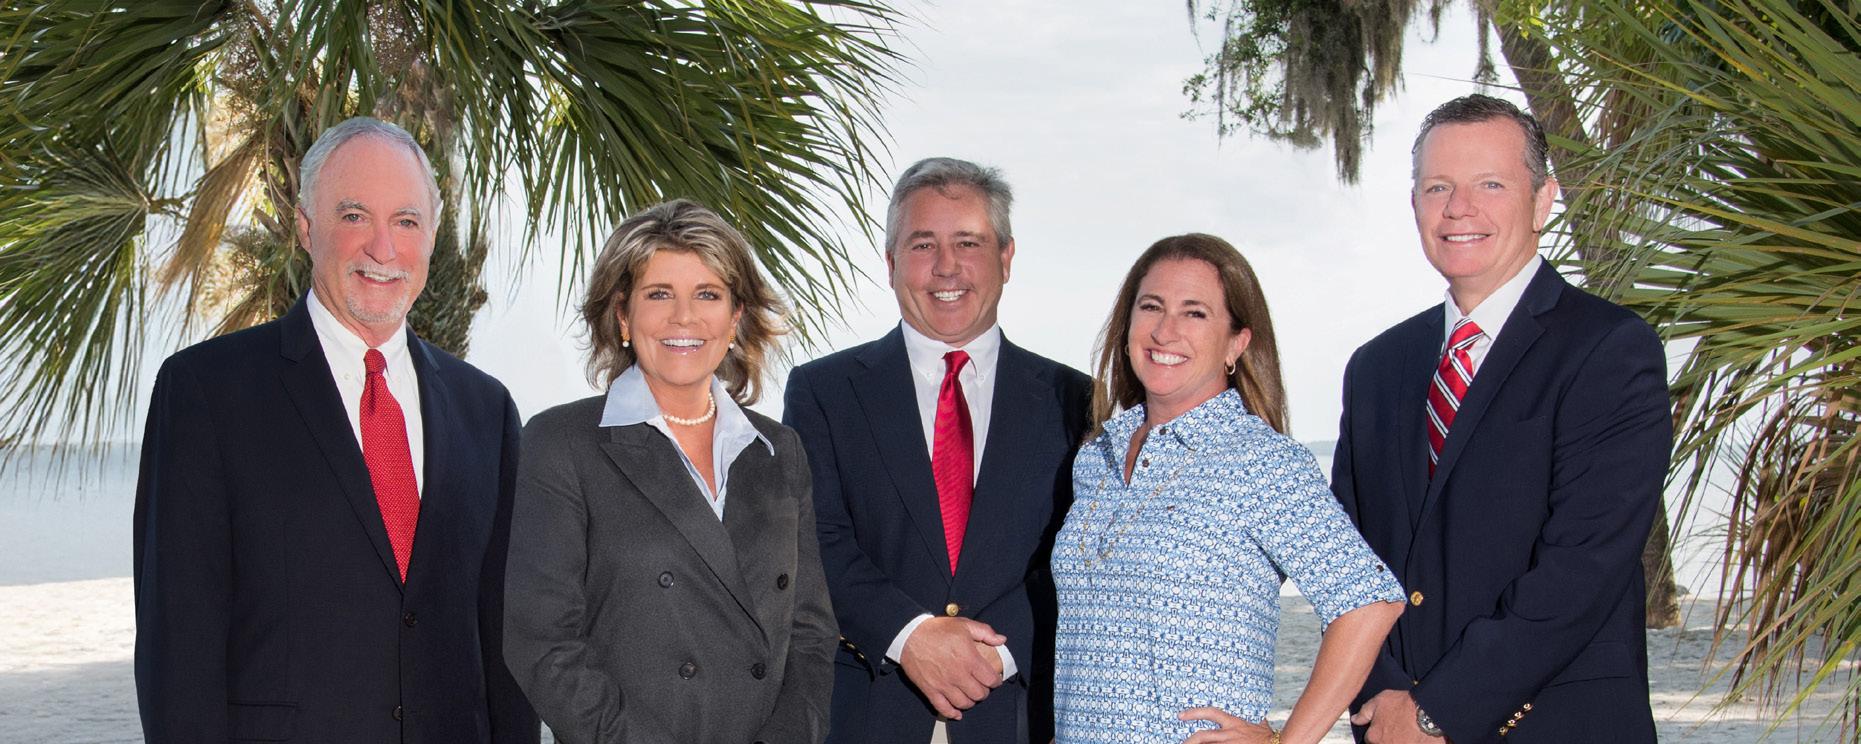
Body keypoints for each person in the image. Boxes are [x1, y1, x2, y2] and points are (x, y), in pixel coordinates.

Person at [132, 117, 538, 742]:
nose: (383, 248)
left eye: (406, 221)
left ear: (432, 236)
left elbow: (505, 644)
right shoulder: (207, 393)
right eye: (354, 216)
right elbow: (177, 651)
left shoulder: (486, 410)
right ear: (304, 227)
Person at [1334, 94, 1671, 743]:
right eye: (1438, 187)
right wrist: (1383, 697)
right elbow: (1345, 563)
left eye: (1490, 184)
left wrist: (1436, 712)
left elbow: (1583, 568)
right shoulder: (1377, 367)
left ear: (1542, 200)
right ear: (1414, 205)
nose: (1459, 208)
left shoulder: (1608, 349)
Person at [502, 199, 837, 743]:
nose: (684, 317)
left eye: (708, 294)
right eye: (659, 294)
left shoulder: (780, 451)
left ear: (735, 317)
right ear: (622, 315)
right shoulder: (562, 443)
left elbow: (811, 633)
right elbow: (542, 641)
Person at [784, 157, 1093, 744]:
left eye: (968, 242)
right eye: (923, 244)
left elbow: (1082, 553)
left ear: (1006, 258)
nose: (946, 266)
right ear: (891, 263)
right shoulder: (823, 391)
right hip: (867, 712)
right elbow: (816, 539)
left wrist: (995, 655)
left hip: (1018, 715)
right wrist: (911, 636)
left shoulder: (1075, 400)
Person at [1052, 234, 1405, 744]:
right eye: (1151, 307)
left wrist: (1287, 741)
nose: (1166, 330)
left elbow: (1368, 602)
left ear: (1236, 343)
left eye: (1194, 313)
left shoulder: (1260, 461)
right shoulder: (1097, 458)